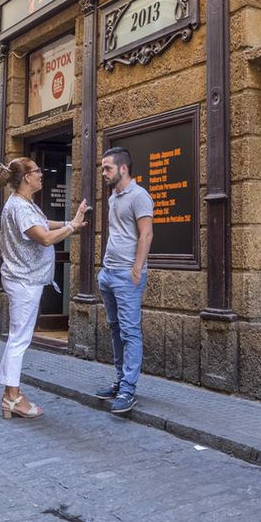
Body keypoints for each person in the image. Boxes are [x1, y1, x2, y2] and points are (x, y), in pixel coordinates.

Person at [0, 158, 88, 419]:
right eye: (36, 171)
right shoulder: (20, 207)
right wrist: (71, 226)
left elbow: (46, 225)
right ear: (26, 178)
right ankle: (12, 397)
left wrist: (71, 223)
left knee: (18, 338)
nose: (41, 174)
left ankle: (11, 394)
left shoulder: (24, 204)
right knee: (18, 340)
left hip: (25, 280)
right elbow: (45, 238)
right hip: (23, 282)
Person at [94, 147, 154, 415]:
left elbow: (146, 235)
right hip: (108, 273)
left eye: (107, 168)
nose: (103, 172)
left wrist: (137, 269)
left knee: (130, 331)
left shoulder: (140, 197)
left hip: (127, 275)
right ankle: (120, 381)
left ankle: (129, 388)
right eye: (102, 168)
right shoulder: (112, 198)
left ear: (123, 169)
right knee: (115, 329)